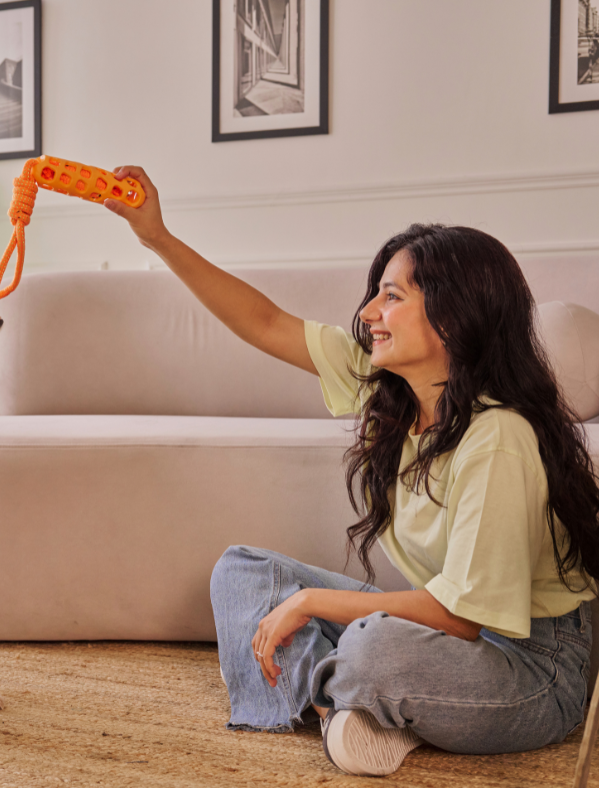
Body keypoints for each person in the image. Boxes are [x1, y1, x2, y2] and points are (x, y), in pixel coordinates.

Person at [104, 167, 599, 777]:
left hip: (530, 666)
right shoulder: (385, 390)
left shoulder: (498, 437)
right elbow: (262, 322)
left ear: (455, 314)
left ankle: (360, 699)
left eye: (392, 295)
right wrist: (157, 237)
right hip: (449, 640)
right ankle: (349, 711)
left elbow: (463, 617)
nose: (369, 312)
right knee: (245, 572)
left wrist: (313, 602)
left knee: (369, 645)